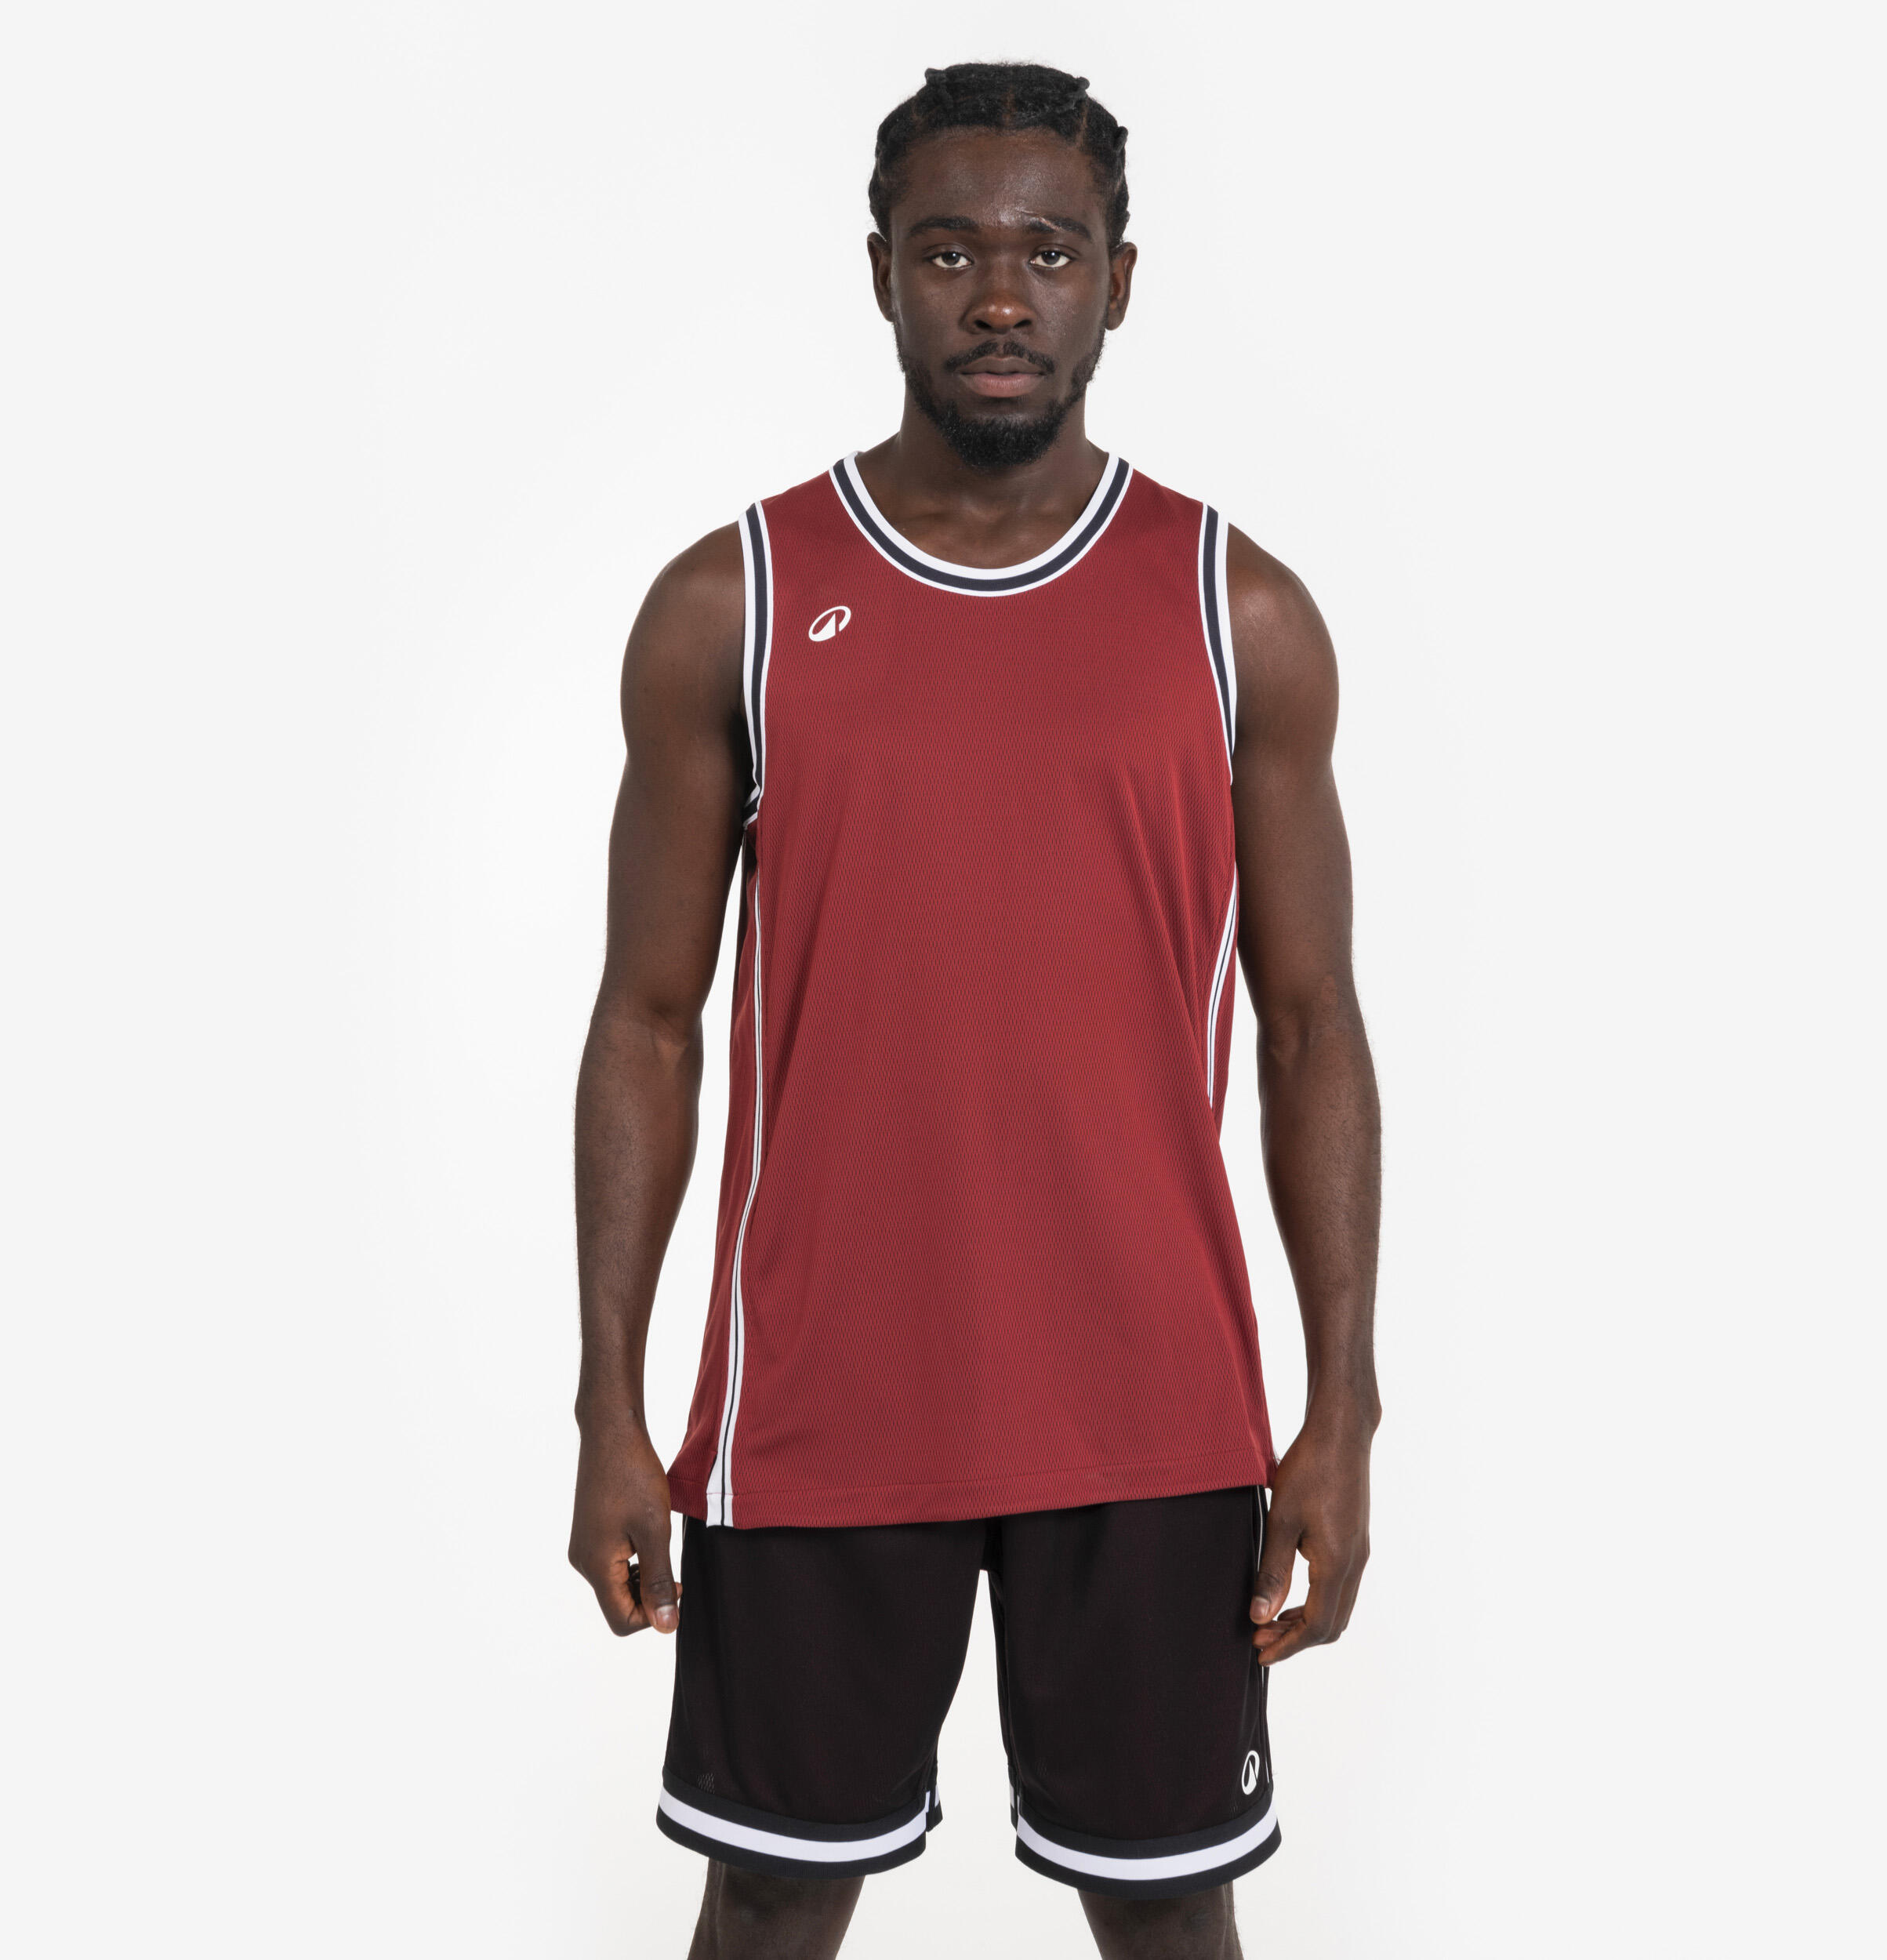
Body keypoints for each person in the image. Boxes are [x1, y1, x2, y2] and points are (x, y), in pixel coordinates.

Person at [568, 62, 1381, 1960]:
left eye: (1046, 252)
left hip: (1151, 1409)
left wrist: (1338, 1404)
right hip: (821, 1402)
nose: (999, 296)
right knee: (770, 1899)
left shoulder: (1237, 612)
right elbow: (645, 1019)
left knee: (1167, 1916)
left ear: (1118, 280)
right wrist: (610, 1399)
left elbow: (1311, 1024)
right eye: (947, 253)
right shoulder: (730, 601)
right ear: (879, 273)